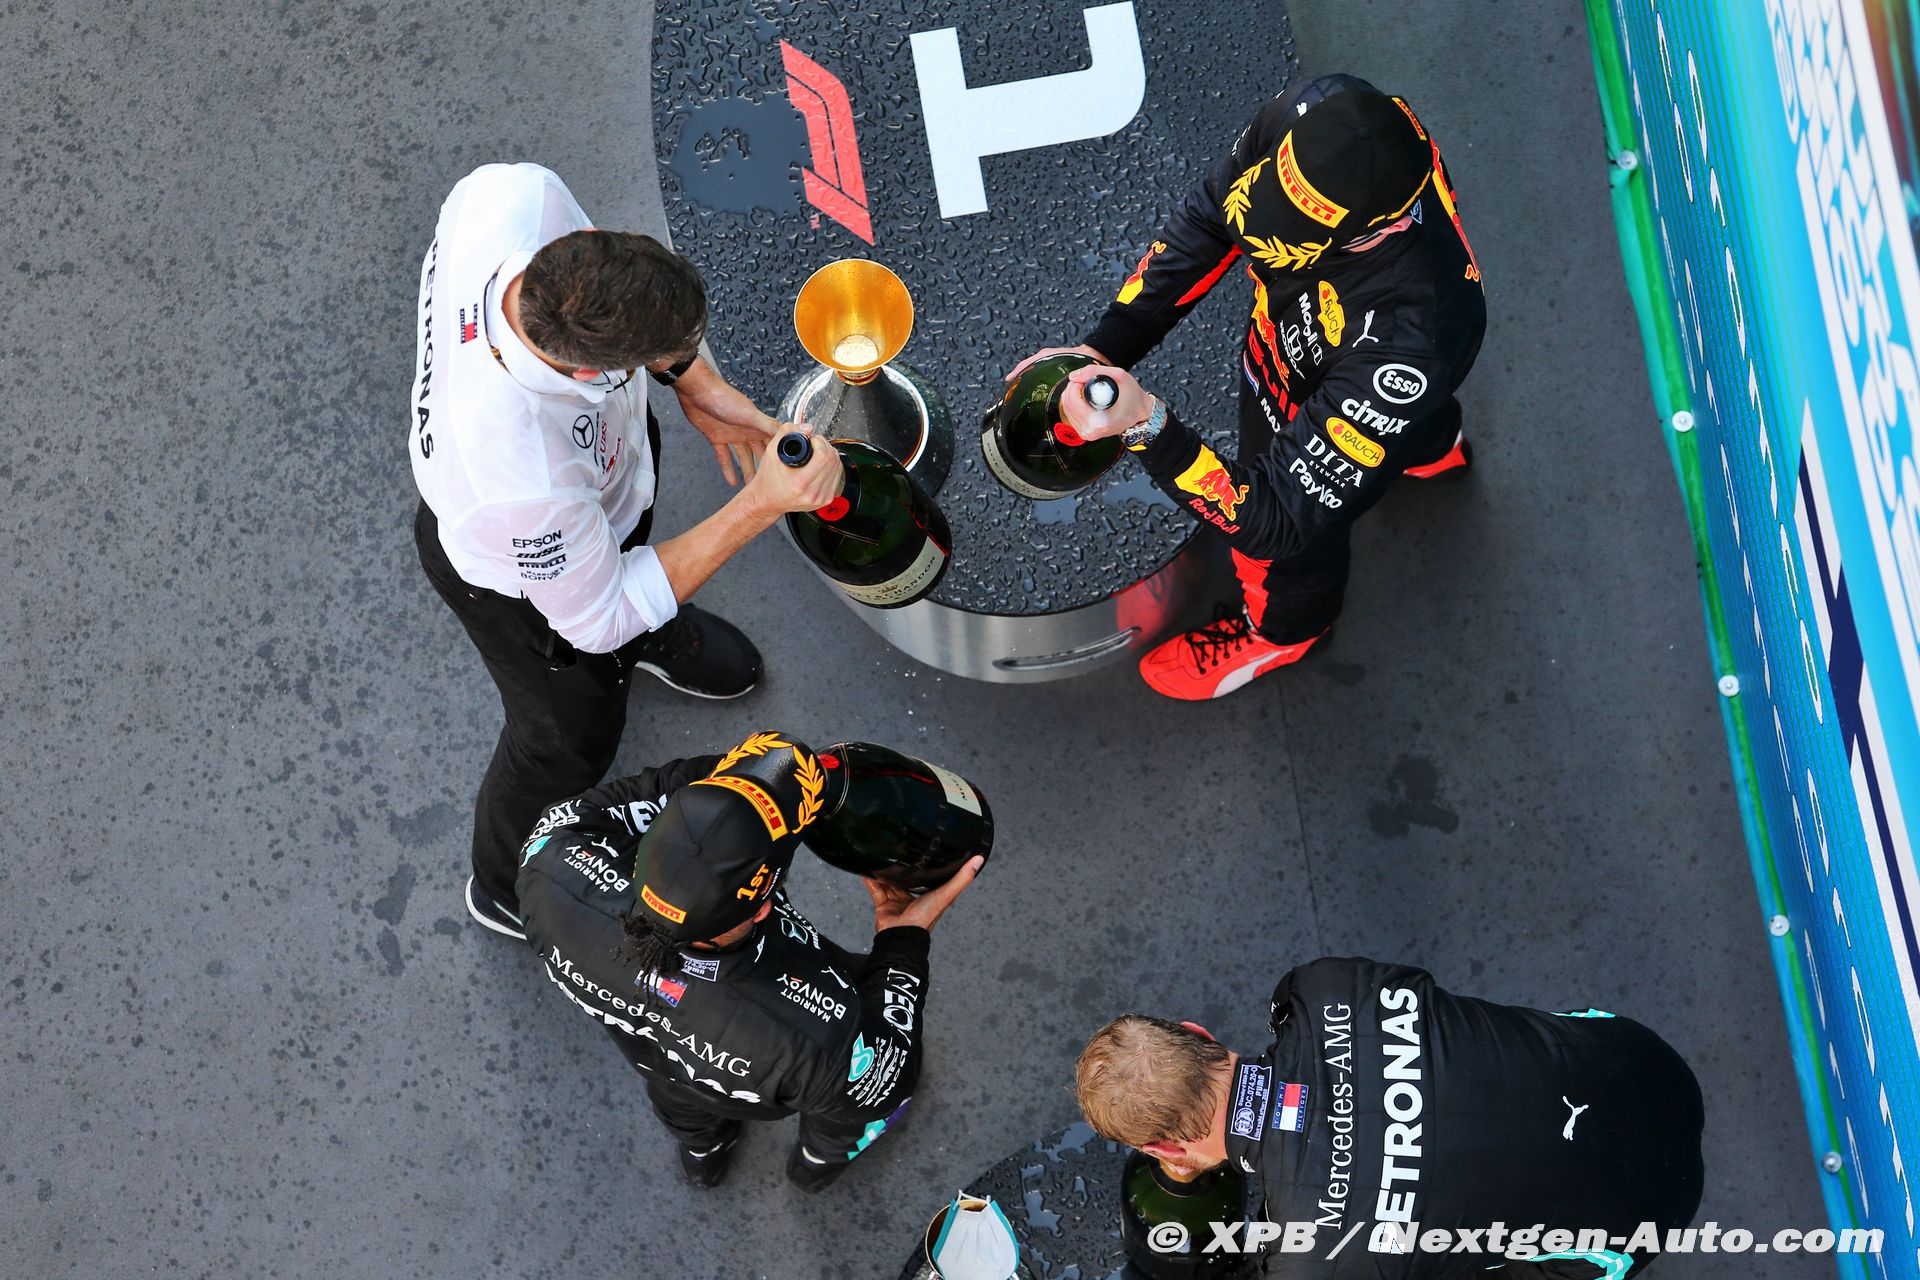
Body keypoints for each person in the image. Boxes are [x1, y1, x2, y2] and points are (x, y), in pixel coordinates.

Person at [409, 163, 841, 938]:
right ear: (590, 370)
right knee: (564, 747)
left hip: (599, 498)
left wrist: (690, 379)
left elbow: (620, 302)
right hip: (523, 589)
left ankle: (656, 628)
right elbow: (597, 618)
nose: (673, 363)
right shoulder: (519, 477)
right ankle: (502, 886)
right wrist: (762, 503)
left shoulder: (512, 196)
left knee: (631, 569)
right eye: (654, 359)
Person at [1011, 75, 1487, 700]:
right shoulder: (1320, 109)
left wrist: (1146, 423)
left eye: (1291, 235)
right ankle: (1435, 447)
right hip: (1349, 375)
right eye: (1269, 202)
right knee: (1405, 428)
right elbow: (1212, 215)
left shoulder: (1408, 342)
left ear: (1382, 232)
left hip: (1338, 388)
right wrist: (1104, 348)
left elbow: (1277, 519)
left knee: (1295, 547)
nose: (1258, 236)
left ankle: (1286, 632)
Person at [516, 730, 982, 1191]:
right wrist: (903, 940)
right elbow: (883, 1081)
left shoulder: (548, 867)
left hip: (663, 1065)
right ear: (762, 906)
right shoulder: (818, 1042)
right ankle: (815, 1165)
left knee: (681, 1102)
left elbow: (607, 808)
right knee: (842, 1115)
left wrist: (731, 795)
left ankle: (704, 1155)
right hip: (766, 1077)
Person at [1076, 956, 1704, 1277]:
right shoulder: (1320, 987)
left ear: (1166, 1152)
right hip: (1642, 1058)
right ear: (1196, 1032)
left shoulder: (1306, 1264)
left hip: (1649, 1217)